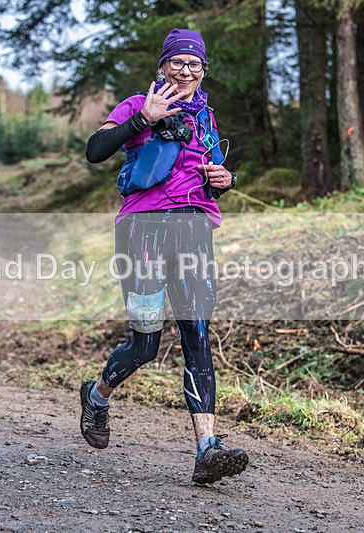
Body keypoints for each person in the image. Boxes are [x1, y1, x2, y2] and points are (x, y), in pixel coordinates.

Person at [80, 28, 248, 484]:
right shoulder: (138, 104)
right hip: (142, 231)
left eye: (194, 64)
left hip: (194, 229)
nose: (185, 71)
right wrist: (142, 121)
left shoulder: (207, 118)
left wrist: (225, 181)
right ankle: (97, 396)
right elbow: (95, 151)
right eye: (177, 62)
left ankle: (206, 449)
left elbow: (210, 171)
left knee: (197, 334)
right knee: (146, 344)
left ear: (203, 71)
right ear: (162, 66)